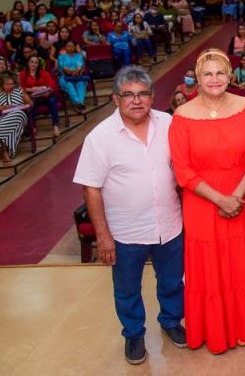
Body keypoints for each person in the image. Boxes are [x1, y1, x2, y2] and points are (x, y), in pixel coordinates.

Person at [73, 67, 185, 365]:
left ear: (152, 96)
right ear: (116, 99)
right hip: (125, 232)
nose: (136, 101)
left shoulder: (169, 123)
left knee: (173, 281)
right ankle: (134, 334)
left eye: (142, 94)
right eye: (128, 95)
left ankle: (171, 320)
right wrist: (103, 236)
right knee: (127, 289)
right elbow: (91, 189)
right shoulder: (100, 137)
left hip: (170, 225)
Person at [168, 49, 245, 354]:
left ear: (230, 75)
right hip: (202, 201)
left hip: (242, 195)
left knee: (240, 260)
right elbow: (182, 171)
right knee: (208, 265)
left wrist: (235, 195)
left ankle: (242, 325)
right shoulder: (182, 116)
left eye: (220, 73)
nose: (214, 79)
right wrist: (219, 199)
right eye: (207, 73)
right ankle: (213, 327)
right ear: (196, 77)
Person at [0, 71, 32, 165]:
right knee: (4, 124)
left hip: (20, 116)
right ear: (2, 84)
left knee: (17, 113)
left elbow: (30, 102)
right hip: (4, 118)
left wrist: (25, 106)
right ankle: (6, 152)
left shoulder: (19, 90)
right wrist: (1, 107)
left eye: (12, 84)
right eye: (7, 84)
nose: (10, 86)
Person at [20, 55, 61, 137]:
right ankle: (33, 127)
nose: (33, 64)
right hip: (32, 97)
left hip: (45, 95)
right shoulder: (23, 74)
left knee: (52, 100)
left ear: (38, 64)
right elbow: (21, 88)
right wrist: (31, 89)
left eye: (36, 63)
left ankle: (55, 126)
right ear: (28, 63)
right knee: (32, 102)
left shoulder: (43, 72)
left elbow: (52, 85)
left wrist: (42, 88)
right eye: (32, 62)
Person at [58, 40, 89, 112]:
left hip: (78, 76)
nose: (70, 48)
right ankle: (79, 103)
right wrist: (72, 72)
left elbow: (80, 66)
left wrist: (76, 72)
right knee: (69, 85)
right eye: (68, 46)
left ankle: (79, 104)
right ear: (65, 47)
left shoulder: (78, 56)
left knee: (81, 84)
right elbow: (63, 67)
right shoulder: (61, 56)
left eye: (72, 46)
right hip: (65, 77)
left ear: (75, 47)